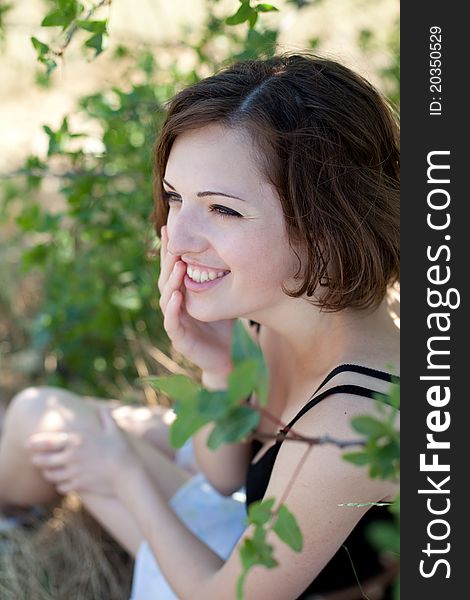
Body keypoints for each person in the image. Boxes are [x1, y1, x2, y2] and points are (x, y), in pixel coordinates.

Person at [0, 52, 400, 599]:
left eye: (222, 209)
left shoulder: (360, 415)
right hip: (244, 534)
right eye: (175, 196)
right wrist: (219, 370)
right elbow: (225, 478)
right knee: (36, 415)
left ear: (328, 221)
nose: (176, 237)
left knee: (66, 429)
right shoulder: (279, 305)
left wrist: (124, 477)